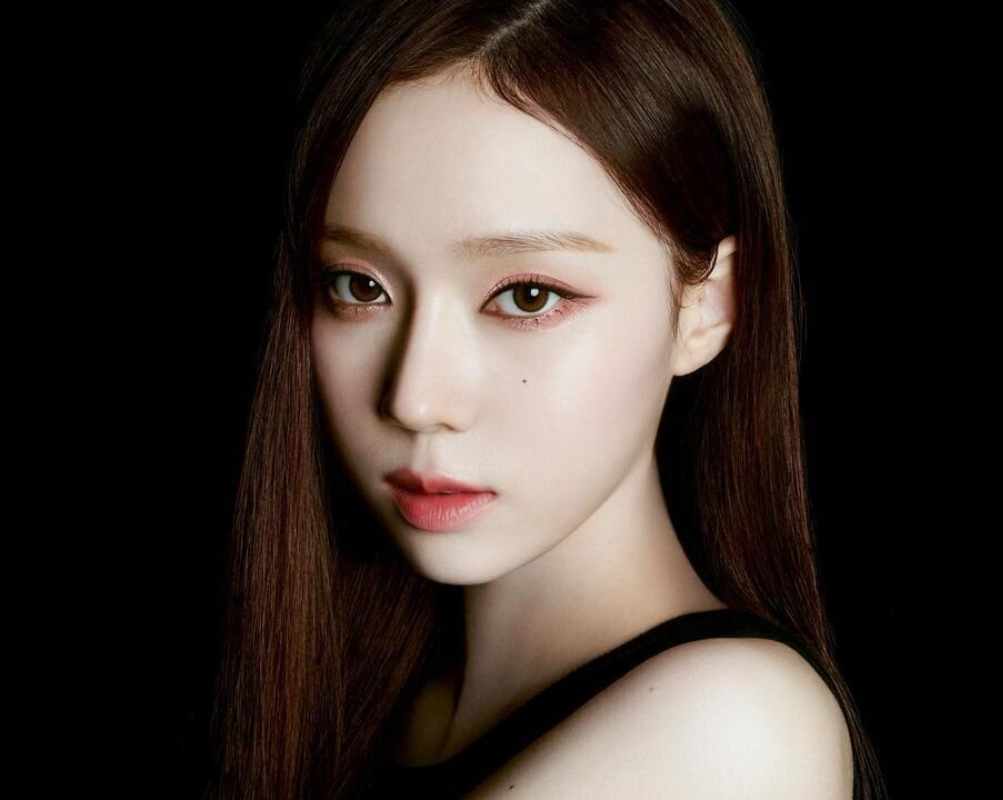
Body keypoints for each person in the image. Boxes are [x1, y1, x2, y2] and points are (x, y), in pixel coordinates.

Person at [204, 1, 889, 798]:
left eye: (527, 296)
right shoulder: (356, 693)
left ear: (705, 307)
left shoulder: (734, 729)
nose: (417, 399)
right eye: (359, 287)